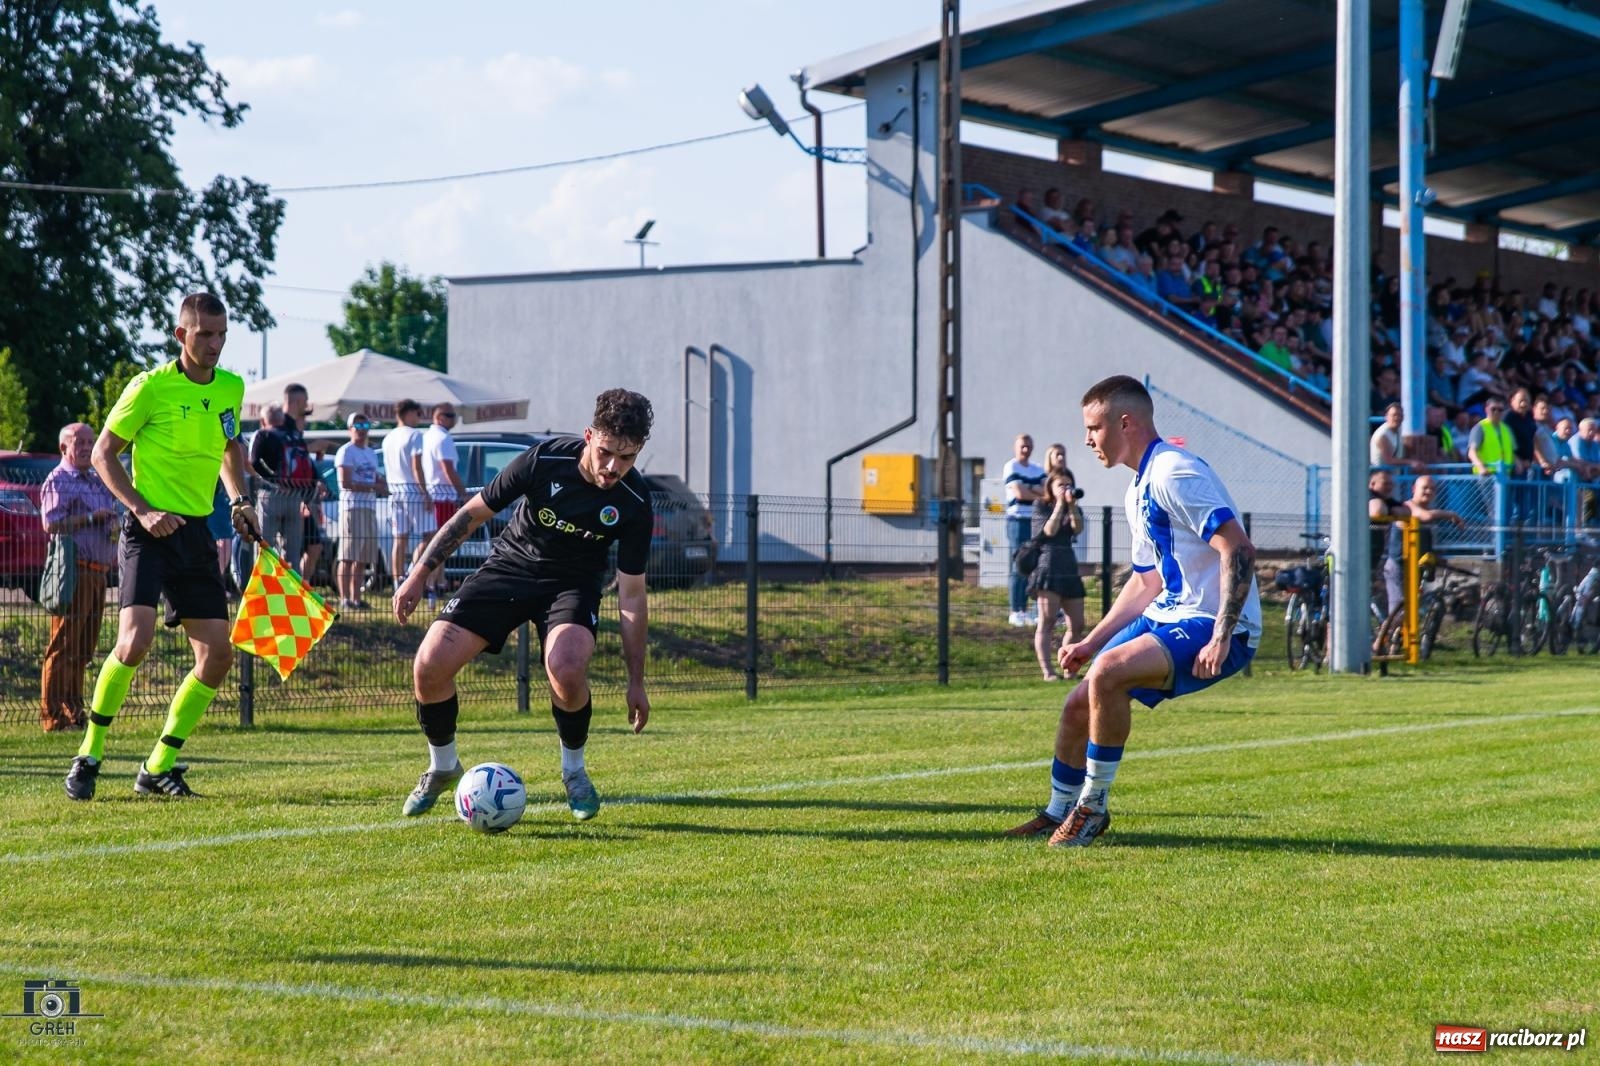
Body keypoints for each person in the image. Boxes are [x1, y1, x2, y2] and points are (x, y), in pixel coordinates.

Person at [1005, 376, 1258, 847]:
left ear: (1125, 423)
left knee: (1108, 674)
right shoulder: (1138, 486)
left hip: (1211, 620)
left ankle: (1092, 808)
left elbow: (1238, 548)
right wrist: (1091, 641)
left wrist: (1223, 635)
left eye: (1094, 428)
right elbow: (1145, 582)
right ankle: (1058, 811)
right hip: (1169, 612)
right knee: (1078, 702)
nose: (1087, 439)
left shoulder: (1174, 472)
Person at [392, 389, 655, 823]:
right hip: (509, 568)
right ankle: (443, 765)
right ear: (589, 436)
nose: (613, 467)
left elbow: (631, 596)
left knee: (566, 668)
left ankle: (574, 772)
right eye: (606, 452)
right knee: (429, 665)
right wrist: (419, 573)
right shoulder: (542, 460)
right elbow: (471, 515)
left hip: (572, 586)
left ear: (638, 451)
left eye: (626, 458)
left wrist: (636, 681)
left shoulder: (635, 502)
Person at [64, 292, 261, 801]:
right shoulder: (148, 387)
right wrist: (142, 509)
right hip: (147, 533)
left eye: (222, 334)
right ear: (181, 335)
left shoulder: (231, 387)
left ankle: (158, 766)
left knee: (217, 655)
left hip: (196, 535)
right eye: (205, 334)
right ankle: (89, 754)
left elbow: (229, 445)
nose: (215, 344)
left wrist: (239, 500)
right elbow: (104, 454)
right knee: (134, 641)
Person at [38, 423, 119, 732]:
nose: (87, 447)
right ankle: (53, 717)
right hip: (74, 571)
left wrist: (112, 525)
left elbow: (109, 515)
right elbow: (51, 523)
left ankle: (74, 711)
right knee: (62, 646)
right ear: (64, 448)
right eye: (80, 442)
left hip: (99, 573)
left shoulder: (97, 481)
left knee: (84, 649)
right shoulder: (58, 480)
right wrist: (90, 518)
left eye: (90, 442)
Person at [1029, 460, 1086, 682]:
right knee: (1047, 621)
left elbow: (1077, 529)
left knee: (1077, 624)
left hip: (1068, 565)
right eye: (1061, 485)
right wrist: (1060, 505)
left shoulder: (1074, 508)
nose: (1065, 488)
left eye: (1068, 484)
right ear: (1050, 487)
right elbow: (1049, 531)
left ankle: (1069, 669)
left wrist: (1071, 506)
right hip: (1048, 565)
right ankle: (1048, 672)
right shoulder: (1040, 506)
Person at [1379, 474, 1467, 616]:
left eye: (1432, 489)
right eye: (1425, 488)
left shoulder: (1428, 512)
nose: (1428, 491)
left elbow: (1424, 542)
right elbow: (1426, 516)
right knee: (1399, 614)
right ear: (1414, 489)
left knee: (1413, 613)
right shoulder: (1407, 507)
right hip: (1399, 567)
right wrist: (1451, 514)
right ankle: (1388, 629)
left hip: (1416, 568)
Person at [334, 412, 385, 609]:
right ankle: (344, 599)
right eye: (358, 426)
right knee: (347, 556)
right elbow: (345, 482)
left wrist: (382, 483)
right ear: (350, 429)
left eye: (365, 427)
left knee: (363, 557)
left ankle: (356, 598)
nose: (362, 431)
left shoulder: (371, 452)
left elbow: (374, 477)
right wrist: (373, 487)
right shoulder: (346, 451)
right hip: (352, 507)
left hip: (369, 507)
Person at [382, 398, 432, 591]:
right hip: (413, 492)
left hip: (394, 492)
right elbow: (416, 467)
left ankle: (397, 581)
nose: (419, 417)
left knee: (399, 539)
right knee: (430, 536)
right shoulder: (415, 435)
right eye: (418, 413)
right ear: (408, 413)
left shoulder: (388, 438)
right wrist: (425, 493)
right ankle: (411, 573)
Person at [248, 402, 304, 566]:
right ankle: (292, 581)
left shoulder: (262, 435)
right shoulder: (294, 436)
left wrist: (273, 480)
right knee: (292, 553)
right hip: (294, 496)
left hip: (270, 496)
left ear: (263, 420)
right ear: (282, 419)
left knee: (264, 547)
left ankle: (264, 581)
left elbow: (254, 462)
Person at [281, 383, 326, 582]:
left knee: (315, 546)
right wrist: (311, 447)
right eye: (305, 402)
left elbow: (304, 462)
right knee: (289, 549)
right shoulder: (280, 428)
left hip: (303, 499)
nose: (305, 423)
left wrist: (318, 481)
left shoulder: (297, 435)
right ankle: (288, 587)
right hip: (287, 498)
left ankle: (302, 585)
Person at [1002, 433, 1045, 627]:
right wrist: (1036, 491)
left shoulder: (1038, 468)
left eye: (1028, 446)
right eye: (1022, 446)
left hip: (1035, 520)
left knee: (1033, 565)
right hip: (1017, 520)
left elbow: (1047, 491)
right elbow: (1020, 493)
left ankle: (1027, 610)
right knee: (1018, 565)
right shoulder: (1011, 466)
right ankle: (1015, 610)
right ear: (1015, 447)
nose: (1026, 450)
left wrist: (1031, 490)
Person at [421, 402, 464, 596]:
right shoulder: (443, 438)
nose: (454, 419)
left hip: (434, 495)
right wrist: (463, 493)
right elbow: (448, 470)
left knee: (437, 542)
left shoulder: (427, 436)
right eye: (450, 416)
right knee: (441, 542)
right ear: (439, 418)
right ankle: (430, 584)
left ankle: (438, 582)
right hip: (443, 497)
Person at [1369, 402, 1405, 467]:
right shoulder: (1382, 435)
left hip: (1394, 471)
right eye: (1394, 415)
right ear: (1386, 417)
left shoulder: (1399, 429)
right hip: (1380, 472)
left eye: (1400, 415)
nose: (1397, 418)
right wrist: (1411, 462)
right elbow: (1389, 460)